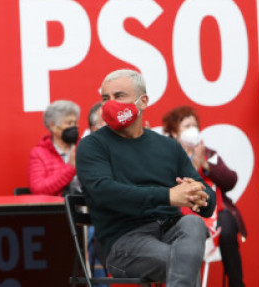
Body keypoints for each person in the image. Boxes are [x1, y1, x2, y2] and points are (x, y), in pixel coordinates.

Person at [76, 69, 216, 287]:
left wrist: (200, 195)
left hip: (171, 229)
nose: (110, 104)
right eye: (105, 98)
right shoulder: (92, 146)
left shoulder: (167, 147)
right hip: (124, 243)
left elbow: (207, 200)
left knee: (194, 223)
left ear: (143, 102)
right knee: (182, 262)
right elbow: (105, 193)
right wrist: (169, 196)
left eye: (119, 96)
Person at [162, 106, 246, 287]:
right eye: (186, 126)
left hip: (216, 211)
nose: (192, 129)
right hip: (181, 213)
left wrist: (205, 164)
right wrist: (193, 165)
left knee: (228, 228)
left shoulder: (209, 154)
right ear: (174, 132)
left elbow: (230, 180)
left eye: (194, 125)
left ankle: (237, 283)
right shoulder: (167, 155)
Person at [28, 100, 80, 196]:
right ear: (53, 126)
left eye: (75, 123)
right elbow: (38, 189)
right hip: (57, 208)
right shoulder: (39, 153)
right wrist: (71, 168)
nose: (74, 127)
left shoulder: (84, 146)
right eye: (69, 123)